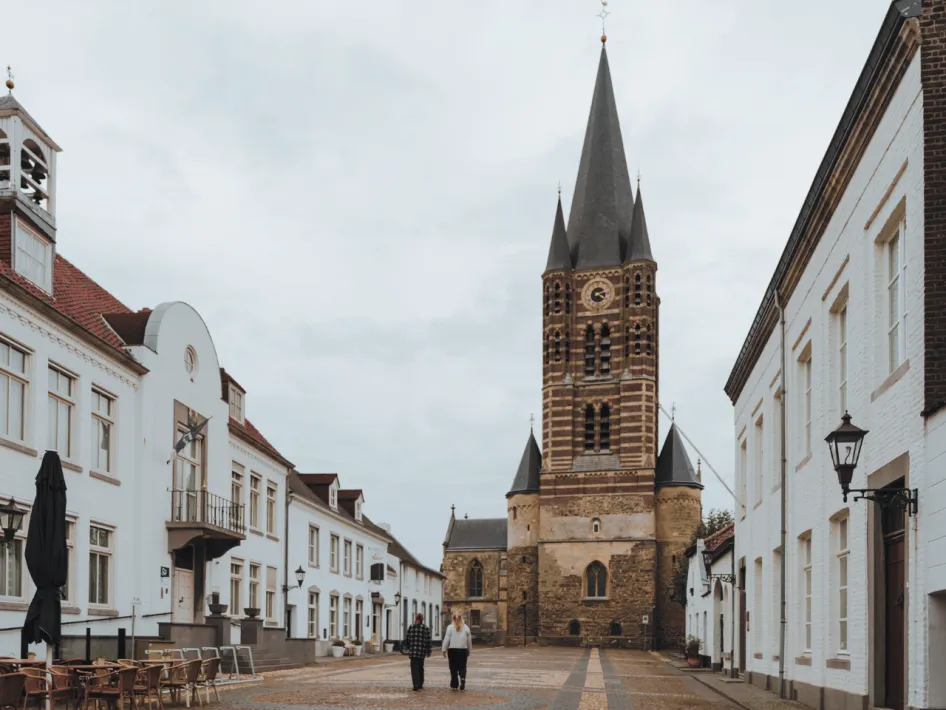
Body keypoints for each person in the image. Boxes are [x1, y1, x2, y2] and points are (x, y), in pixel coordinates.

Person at [441, 612, 472, 691]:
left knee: (453, 667)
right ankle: (462, 678)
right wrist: (469, 649)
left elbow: (447, 639)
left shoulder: (450, 627)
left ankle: (454, 684)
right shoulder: (466, 628)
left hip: (452, 650)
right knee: (462, 666)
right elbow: (469, 641)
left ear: (453, 619)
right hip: (463, 650)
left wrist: (444, 649)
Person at [404, 612, 432, 691]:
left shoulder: (411, 627)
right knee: (420, 667)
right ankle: (420, 683)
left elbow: (407, 638)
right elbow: (428, 641)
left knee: (414, 669)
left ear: (416, 618)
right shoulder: (425, 628)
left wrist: (408, 647)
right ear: (422, 619)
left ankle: (415, 684)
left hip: (413, 652)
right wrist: (428, 651)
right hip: (421, 652)